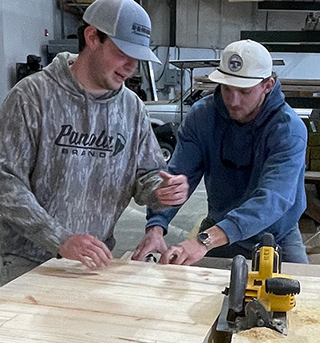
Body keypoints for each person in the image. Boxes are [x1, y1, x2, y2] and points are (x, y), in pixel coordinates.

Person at [0, 0, 189, 285]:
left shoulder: (131, 107)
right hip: (28, 261)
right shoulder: (32, 97)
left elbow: (145, 176)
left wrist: (162, 192)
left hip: (94, 260)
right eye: (123, 52)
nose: (131, 67)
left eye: (138, 57)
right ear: (93, 37)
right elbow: (5, 183)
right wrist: (60, 238)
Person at [131, 40, 309, 266]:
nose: (233, 102)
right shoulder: (202, 117)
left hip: (275, 234)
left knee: (299, 295)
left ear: (268, 85)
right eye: (226, 88)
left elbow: (273, 199)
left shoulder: (288, 130)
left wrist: (204, 241)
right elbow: (176, 178)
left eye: (244, 92)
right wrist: (156, 226)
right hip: (219, 226)